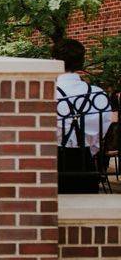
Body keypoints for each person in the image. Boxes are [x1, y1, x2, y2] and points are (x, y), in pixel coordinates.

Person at [53, 39, 112, 193]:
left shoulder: (47, 94)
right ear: (81, 61)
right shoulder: (98, 95)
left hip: (53, 165)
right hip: (86, 166)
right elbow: (102, 132)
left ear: (55, 61)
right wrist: (89, 149)